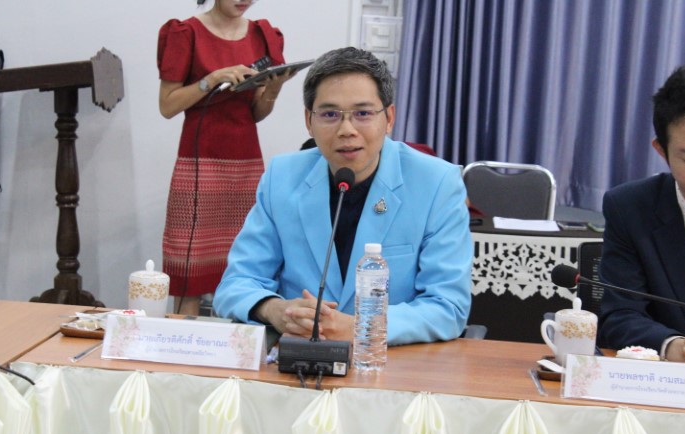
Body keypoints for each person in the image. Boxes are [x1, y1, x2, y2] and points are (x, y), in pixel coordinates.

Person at [213, 47, 473, 345]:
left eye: (363, 113)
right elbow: (236, 283)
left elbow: (448, 307)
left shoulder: (437, 183)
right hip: (299, 356)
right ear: (309, 121)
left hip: (389, 360)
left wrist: (362, 327)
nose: (346, 130)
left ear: (389, 118)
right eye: (330, 115)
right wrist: (275, 310)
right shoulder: (282, 177)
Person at [157, 0, 293, 315]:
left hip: (245, 162)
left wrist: (273, 90)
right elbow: (167, 105)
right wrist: (213, 78)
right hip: (199, 162)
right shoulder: (186, 32)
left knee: (245, 266)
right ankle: (182, 342)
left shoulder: (263, 35)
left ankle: (236, 342)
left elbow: (255, 113)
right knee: (191, 271)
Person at [598, 63, 685, 362]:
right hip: (666, 378)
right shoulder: (630, 208)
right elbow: (619, 315)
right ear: (661, 151)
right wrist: (677, 347)